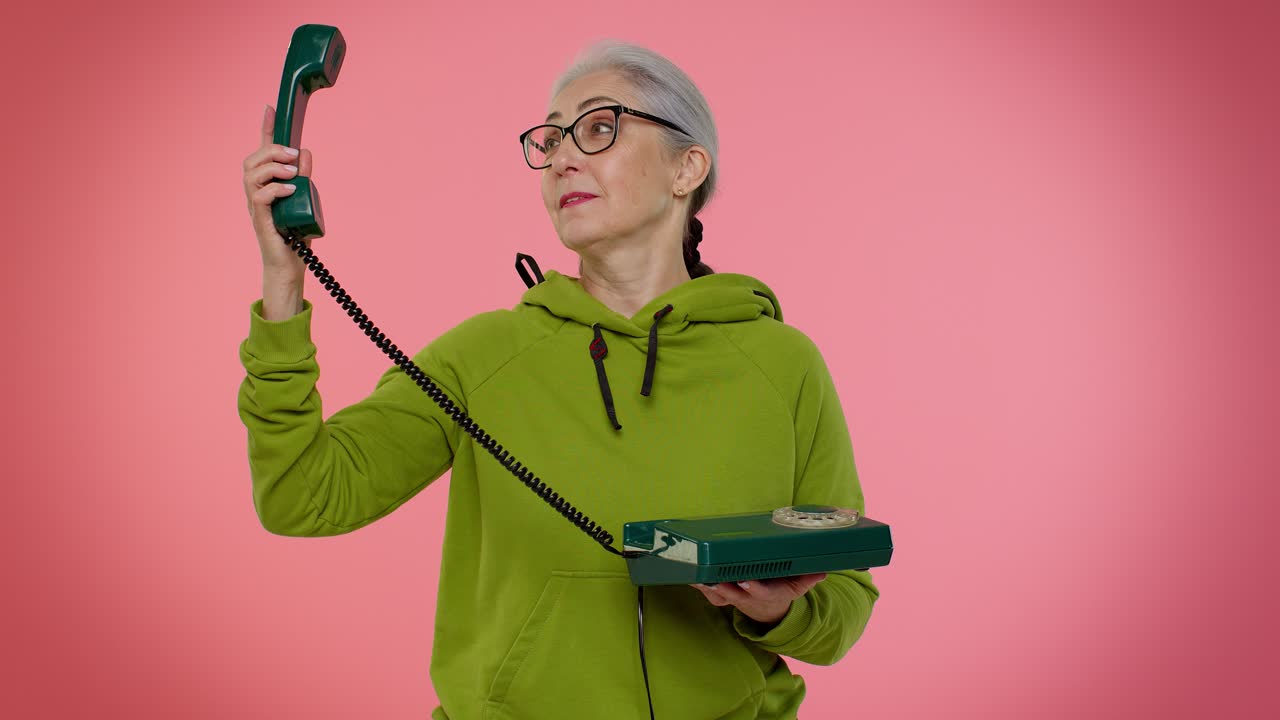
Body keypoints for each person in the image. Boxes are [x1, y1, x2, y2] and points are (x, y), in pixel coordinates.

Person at [238, 39, 880, 720]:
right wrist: (283, 279)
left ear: (686, 168)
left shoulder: (783, 363)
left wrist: (780, 611)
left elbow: (843, 608)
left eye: (599, 128)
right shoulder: (487, 353)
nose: (562, 157)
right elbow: (301, 497)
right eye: (549, 141)